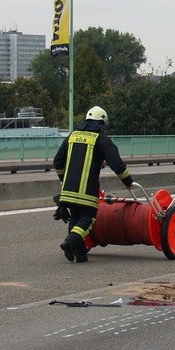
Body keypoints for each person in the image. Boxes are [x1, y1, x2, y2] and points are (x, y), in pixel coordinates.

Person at [53, 106, 135, 262]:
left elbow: (57, 161)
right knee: (88, 217)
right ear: (102, 123)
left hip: (68, 190)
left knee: (75, 217)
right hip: (87, 191)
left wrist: (64, 179)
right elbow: (117, 165)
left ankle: (80, 254)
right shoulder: (101, 139)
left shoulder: (72, 136)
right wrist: (128, 181)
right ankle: (70, 242)